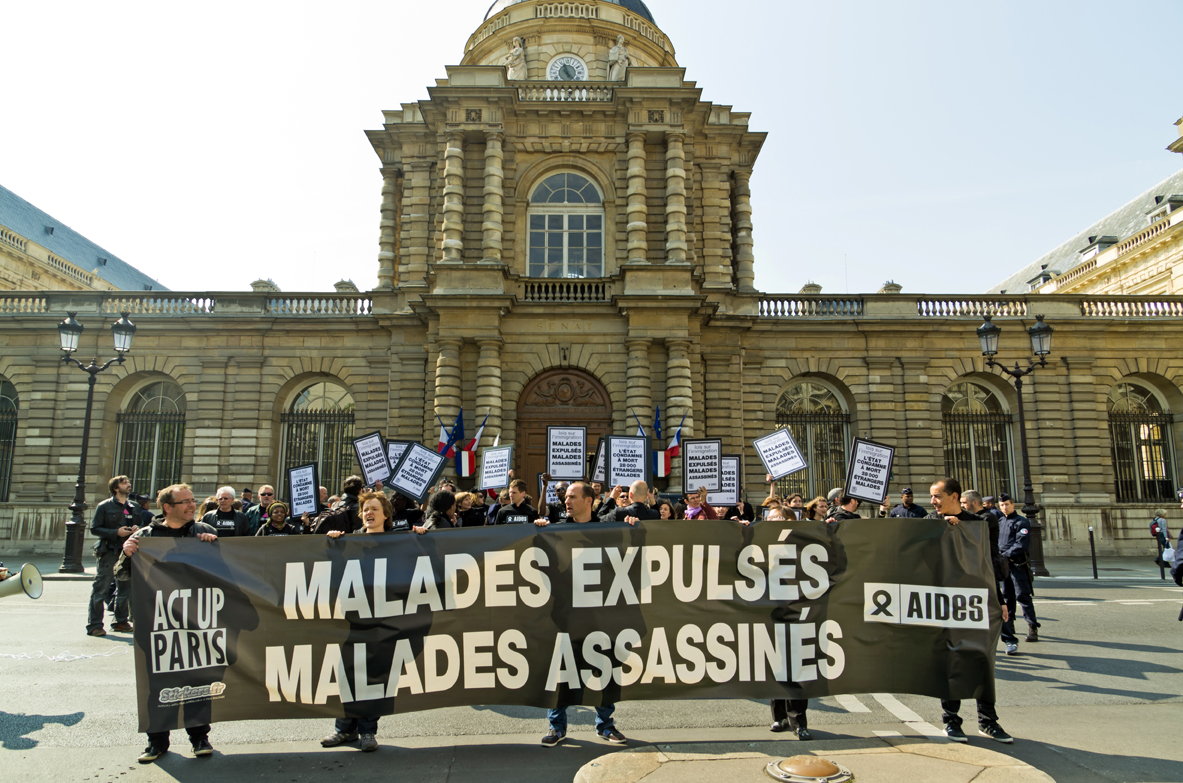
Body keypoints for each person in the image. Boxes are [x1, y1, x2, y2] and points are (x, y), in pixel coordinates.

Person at [115, 484, 218, 763]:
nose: (190, 505)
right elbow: (122, 575)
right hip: (157, 624)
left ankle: (199, 738)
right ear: (167, 507)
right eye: (184, 502)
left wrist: (215, 547)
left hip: (195, 623)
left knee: (197, 681)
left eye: (192, 501)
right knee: (158, 683)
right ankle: (157, 741)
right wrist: (127, 554)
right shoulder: (145, 536)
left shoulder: (202, 533)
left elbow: (223, 574)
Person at [538, 480, 628, 746]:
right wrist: (539, 532)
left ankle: (606, 726)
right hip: (565, 617)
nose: (566, 501)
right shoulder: (555, 531)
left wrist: (636, 528)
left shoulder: (606, 530)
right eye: (565, 497)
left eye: (572, 496)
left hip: (600, 617)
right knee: (562, 672)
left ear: (588, 501)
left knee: (604, 670)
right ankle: (557, 727)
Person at [927, 477, 1014, 744]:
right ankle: (951, 720)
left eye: (937, 496)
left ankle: (988, 721)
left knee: (982, 659)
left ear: (954, 496)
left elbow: (989, 563)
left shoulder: (980, 524)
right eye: (932, 497)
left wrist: (999, 600)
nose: (933, 502)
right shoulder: (930, 524)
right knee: (950, 660)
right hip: (943, 602)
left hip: (976, 601)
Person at [320, 491, 395, 752]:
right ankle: (344, 729)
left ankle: (367, 731)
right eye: (365, 509)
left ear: (386, 514)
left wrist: (423, 535)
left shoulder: (399, 543)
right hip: (352, 621)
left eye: (374, 508)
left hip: (384, 622)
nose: (368, 513)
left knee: (373, 677)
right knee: (347, 675)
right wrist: (333, 546)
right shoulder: (348, 541)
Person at [86, 475, 140, 637]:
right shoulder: (104, 506)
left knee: (125, 589)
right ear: (115, 488)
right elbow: (95, 528)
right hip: (109, 551)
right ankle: (95, 625)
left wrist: (139, 528)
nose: (128, 484)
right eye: (124, 483)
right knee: (100, 589)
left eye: (129, 482)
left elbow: (143, 525)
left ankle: (120, 621)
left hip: (128, 552)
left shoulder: (134, 506)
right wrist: (115, 532)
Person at [996, 493, 1040, 651]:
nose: (1005, 507)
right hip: (1004, 566)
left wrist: (1004, 555)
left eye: (1007, 504)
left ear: (1013, 505)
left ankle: (1032, 626)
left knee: (1022, 595)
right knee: (1007, 597)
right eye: (1002, 505)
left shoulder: (1022, 522)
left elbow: (1021, 545)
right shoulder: (1000, 521)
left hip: (1018, 565)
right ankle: (1010, 624)